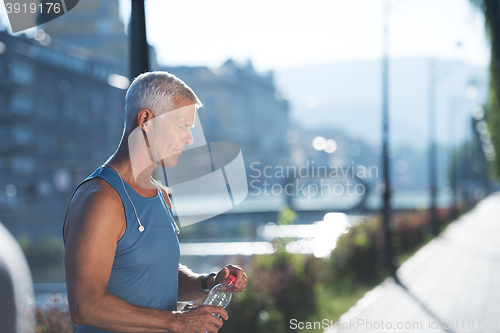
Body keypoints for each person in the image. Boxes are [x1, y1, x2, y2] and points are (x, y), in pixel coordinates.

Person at [63, 71, 248, 333]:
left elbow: (156, 276)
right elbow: (85, 305)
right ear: (146, 120)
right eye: (181, 126)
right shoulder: (100, 200)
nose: (189, 138)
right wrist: (177, 321)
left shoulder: (161, 195)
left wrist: (208, 282)